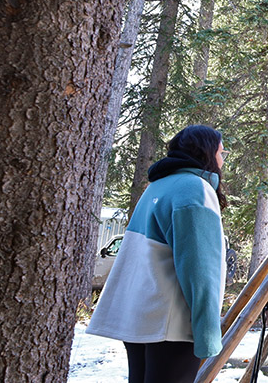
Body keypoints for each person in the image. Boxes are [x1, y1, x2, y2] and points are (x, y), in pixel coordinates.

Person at [87, 125, 228, 383]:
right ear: (207, 154)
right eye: (221, 153)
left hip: (139, 319)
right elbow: (199, 268)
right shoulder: (194, 189)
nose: (222, 160)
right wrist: (208, 333)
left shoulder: (156, 187)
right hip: (171, 323)